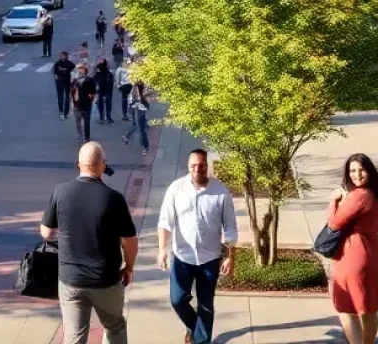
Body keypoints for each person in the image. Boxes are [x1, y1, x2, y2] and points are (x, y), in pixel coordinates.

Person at [40, 142, 137, 344]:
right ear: (103, 165)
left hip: (71, 279)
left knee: (74, 335)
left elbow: (47, 232)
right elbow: (130, 240)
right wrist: (129, 267)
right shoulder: (114, 198)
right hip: (106, 279)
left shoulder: (61, 192)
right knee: (114, 327)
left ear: (79, 165)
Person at [158, 148, 237, 344]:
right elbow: (165, 222)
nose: (197, 169)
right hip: (183, 257)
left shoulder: (220, 192)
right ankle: (195, 328)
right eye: (193, 166)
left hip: (209, 259)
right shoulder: (176, 189)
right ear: (188, 167)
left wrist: (230, 256)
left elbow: (230, 226)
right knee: (177, 300)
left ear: (206, 166)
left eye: (201, 165)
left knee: (206, 305)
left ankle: (201, 340)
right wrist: (162, 250)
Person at [328, 153, 378, 344]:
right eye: (352, 170)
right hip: (374, 251)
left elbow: (335, 223)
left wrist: (334, 201)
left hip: (353, 252)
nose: (357, 174)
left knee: (346, 309)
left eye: (361, 169)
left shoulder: (359, 196)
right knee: (369, 309)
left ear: (369, 170)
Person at [123, 81, 150, 157]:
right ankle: (145, 146)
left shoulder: (140, 88)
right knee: (139, 128)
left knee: (139, 127)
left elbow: (146, 102)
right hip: (138, 110)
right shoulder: (136, 87)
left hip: (139, 110)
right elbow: (132, 99)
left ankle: (127, 136)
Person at [71, 64, 97, 144]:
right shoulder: (75, 80)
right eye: (79, 69)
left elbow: (93, 92)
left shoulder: (90, 80)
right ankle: (80, 136)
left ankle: (87, 138)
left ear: (85, 70)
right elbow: (72, 91)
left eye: (81, 69)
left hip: (86, 104)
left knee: (86, 122)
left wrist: (90, 99)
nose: (80, 70)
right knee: (78, 121)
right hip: (77, 104)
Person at [53, 51, 77, 119]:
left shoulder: (70, 64)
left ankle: (66, 112)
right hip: (59, 83)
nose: (63, 57)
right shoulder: (57, 63)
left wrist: (73, 78)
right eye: (62, 56)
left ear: (67, 57)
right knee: (60, 96)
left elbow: (74, 69)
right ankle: (61, 111)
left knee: (67, 97)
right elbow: (55, 73)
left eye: (65, 56)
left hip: (67, 82)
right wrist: (57, 79)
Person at [95, 59, 115, 124]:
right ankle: (106, 118)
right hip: (103, 90)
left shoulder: (107, 74)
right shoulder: (107, 74)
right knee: (105, 103)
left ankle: (103, 118)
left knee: (104, 103)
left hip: (104, 89)